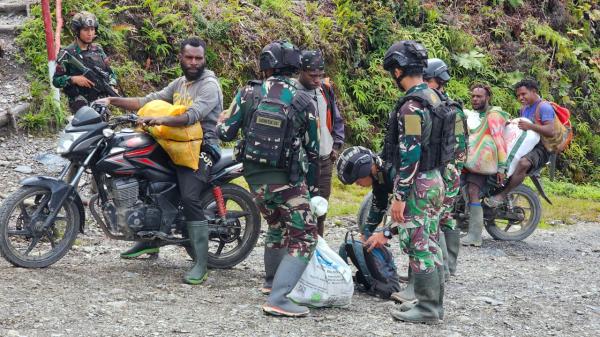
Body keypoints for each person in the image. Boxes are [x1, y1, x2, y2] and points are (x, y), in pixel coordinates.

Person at [95, 37, 223, 285]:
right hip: (174, 143)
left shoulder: (209, 86)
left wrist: (161, 120)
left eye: (199, 58)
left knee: (189, 196)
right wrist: (112, 101)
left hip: (202, 146)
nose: (194, 62)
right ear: (181, 58)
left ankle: (200, 262)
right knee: (145, 177)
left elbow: (191, 116)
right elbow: (147, 101)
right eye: (189, 57)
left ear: (204, 59)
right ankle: (149, 238)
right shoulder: (180, 83)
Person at [217, 40, 319, 317]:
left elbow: (225, 132)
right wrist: (311, 187)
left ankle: (271, 282)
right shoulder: (303, 99)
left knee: (276, 225)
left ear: (266, 64)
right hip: (287, 180)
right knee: (305, 237)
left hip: (252, 178)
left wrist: (222, 118)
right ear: (295, 66)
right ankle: (279, 298)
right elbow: (314, 148)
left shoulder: (248, 92)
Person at [363, 40, 445, 324]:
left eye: (392, 72)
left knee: (418, 246)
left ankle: (428, 308)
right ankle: (430, 304)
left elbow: (411, 153)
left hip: (418, 183)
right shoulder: (434, 98)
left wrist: (399, 196)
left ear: (398, 71)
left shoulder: (411, 106)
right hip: (435, 179)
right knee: (430, 243)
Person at [423, 58, 466, 278]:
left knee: (439, 217)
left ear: (438, 81)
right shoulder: (436, 106)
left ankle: (443, 269)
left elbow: (461, 145)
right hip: (443, 170)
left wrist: (451, 171)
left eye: (426, 80)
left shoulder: (451, 110)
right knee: (445, 217)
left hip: (446, 171)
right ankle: (447, 268)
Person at [483, 79, 554, 208]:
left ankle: (503, 195)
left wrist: (530, 126)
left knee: (523, 163)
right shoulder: (524, 108)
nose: (520, 98)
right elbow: (523, 127)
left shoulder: (544, 107)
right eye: (518, 95)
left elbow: (551, 131)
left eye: (523, 94)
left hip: (542, 148)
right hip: (527, 144)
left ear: (534, 91)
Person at [296, 50, 345, 237]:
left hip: (324, 161)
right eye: (312, 75)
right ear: (301, 71)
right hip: (301, 163)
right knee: (299, 209)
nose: (317, 80)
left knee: (321, 209)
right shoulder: (292, 92)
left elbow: (336, 119)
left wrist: (336, 145)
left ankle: (318, 247)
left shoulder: (324, 90)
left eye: (320, 75)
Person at [461, 84, 509, 247]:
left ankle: (475, 236)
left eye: (479, 96)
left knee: (473, 191)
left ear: (487, 98)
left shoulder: (493, 115)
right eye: (473, 95)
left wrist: (503, 167)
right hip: (470, 159)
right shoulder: (473, 115)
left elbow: (499, 140)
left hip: (484, 161)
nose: (475, 99)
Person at [53, 11, 117, 113]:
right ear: (77, 31)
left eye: (92, 29)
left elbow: (111, 73)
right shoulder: (67, 53)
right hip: (80, 108)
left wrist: (112, 85)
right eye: (86, 30)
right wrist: (73, 79)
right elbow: (56, 81)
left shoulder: (98, 50)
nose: (90, 33)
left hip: (101, 105)